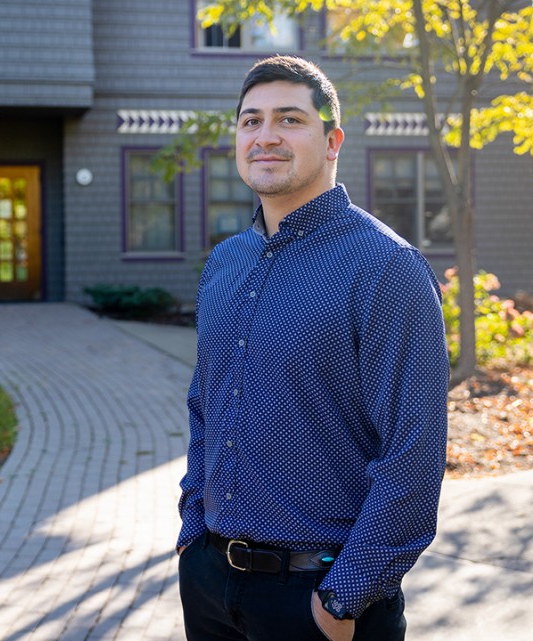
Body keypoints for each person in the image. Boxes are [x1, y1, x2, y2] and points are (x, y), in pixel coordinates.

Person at [176, 55, 450, 641]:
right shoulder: (225, 263)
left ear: (332, 140)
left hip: (318, 603)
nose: (265, 136)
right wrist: (192, 535)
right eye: (250, 121)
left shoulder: (385, 268)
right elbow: (205, 407)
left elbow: (415, 451)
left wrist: (344, 597)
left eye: (289, 119)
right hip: (209, 582)